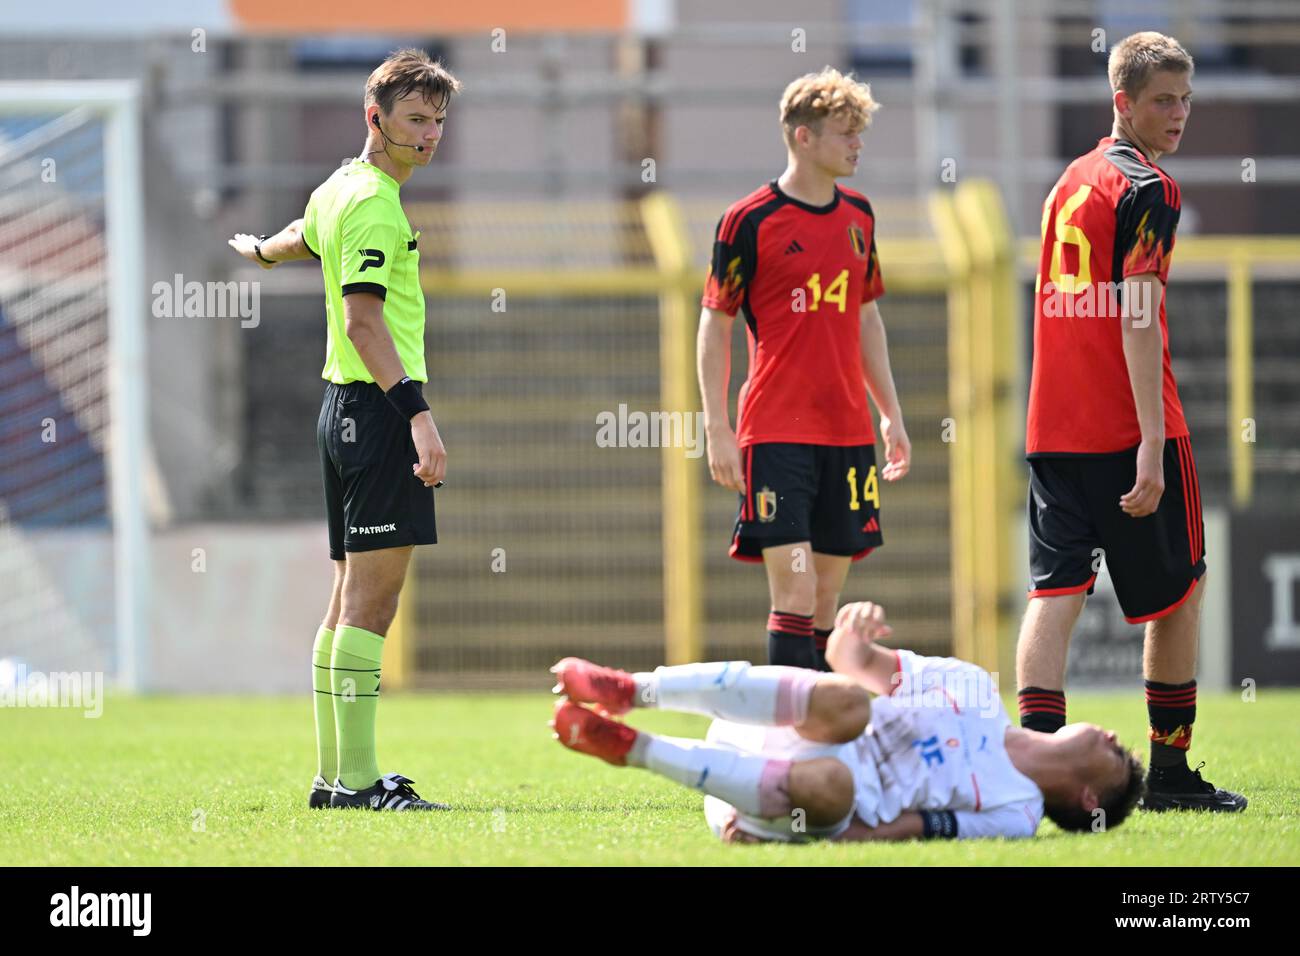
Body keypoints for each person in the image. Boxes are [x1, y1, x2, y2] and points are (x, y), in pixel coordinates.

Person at [1015, 31, 1245, 813]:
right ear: (1123, 102)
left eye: (1186, 99)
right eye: (1162, 101)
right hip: (1126, 426)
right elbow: (1138, 315)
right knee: (1180, 592)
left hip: (1052, 425)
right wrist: (1150, 436)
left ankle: (1036, 772)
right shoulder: (1149, 188)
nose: (1179, 114)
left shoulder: (1068, 182)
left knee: (1056, 593)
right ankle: (1172, 777)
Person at [228, 48, 459, 810]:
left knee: (345, 601)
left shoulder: (342, 188)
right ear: (376, 117)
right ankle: (356, 783)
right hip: (376, 409)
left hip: (342, 413)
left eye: (437, 121)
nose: (429, 136)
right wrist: (418, 416)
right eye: (415, 120)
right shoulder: (374, 204)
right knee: (371, 607)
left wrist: (265, 251)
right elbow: (363, 323)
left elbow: (304, 230)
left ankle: (336, 780)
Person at [551, 602, 1143, 842]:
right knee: (855, 704)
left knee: (839, 787)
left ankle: (630, 747)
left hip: (772, 799)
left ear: (1088, 796)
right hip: (795, 718)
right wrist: (855, 630)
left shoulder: (1016, 813)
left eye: (1117, 756)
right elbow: (850, 662)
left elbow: (913, 826)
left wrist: (808, 836)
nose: (1114, 737)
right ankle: (633, 689)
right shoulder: (975, 688)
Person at [697, 67, 911, 673]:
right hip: (776, 431)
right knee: (791, 595)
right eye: (845, 133)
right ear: (802, 138)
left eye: (859, 133)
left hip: (847, 433)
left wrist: (890, 413)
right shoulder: (750, 221)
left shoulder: (860, 216)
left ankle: (816, 744)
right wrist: (717, 427)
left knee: (824, 601)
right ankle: (789, 742)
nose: (857, 144)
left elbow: (866, 318)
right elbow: (714, 324)